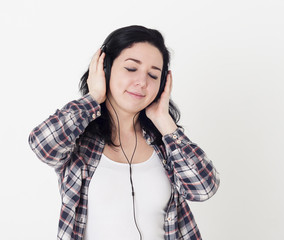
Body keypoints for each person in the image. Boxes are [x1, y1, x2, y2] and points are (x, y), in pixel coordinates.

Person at [28, 25, 220, 240]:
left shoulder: (165, 144)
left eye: (153, 75)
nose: (142, 82)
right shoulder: (79, 139)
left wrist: (164, 121)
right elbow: (42, 145)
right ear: (105, 69)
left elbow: (203, 189)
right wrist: (93, 98)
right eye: (131, 69)